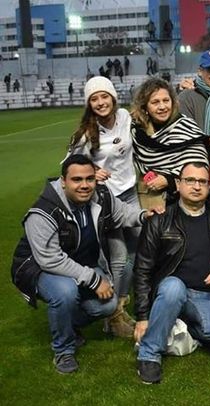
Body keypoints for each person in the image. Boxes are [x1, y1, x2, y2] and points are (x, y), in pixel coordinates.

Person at [11, 155, 159, 374]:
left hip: (81, 264)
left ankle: (68, 325)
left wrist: (144, 215)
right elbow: (49, 258)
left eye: (90, 179)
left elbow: (121, 214)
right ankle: (63, 350)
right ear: (63, 181)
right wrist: (93, 279)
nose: (84, 185)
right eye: (77, 179)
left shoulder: (101, 195)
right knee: (65, 292)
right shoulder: (43, 211)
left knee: (108, 305)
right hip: (40, 268)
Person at [134, 162, 210, 384]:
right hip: (172, 288)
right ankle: (149, 354)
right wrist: (142, 317)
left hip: (207, 293)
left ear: (209, 187)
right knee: (174, 288)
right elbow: (143, 268)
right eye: (190, 180)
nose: (196, 186)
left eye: (202, 181)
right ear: (178, 184)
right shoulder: (160, 219)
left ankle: (172, 322)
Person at [66, 76, 139, 337]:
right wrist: (92, 171)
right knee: (119, 258)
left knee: (136, 253)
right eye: (94, 99)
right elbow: (68, 165)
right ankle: (114, 316)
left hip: (130, 194)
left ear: (113, 97)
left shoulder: (126, 117)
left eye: (103, 96)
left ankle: (121, 305)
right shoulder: (87, 133)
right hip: (105, 201)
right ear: (89, 104)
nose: (100, 102)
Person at [130, 77, 209, 209]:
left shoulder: (186, 126)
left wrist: (169, 180)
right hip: (151, 201)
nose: (162, 107)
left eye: (166, 100)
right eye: (155, 102)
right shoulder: (135, 131)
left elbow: (199, 163)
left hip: (185, 201)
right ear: (145, 107)